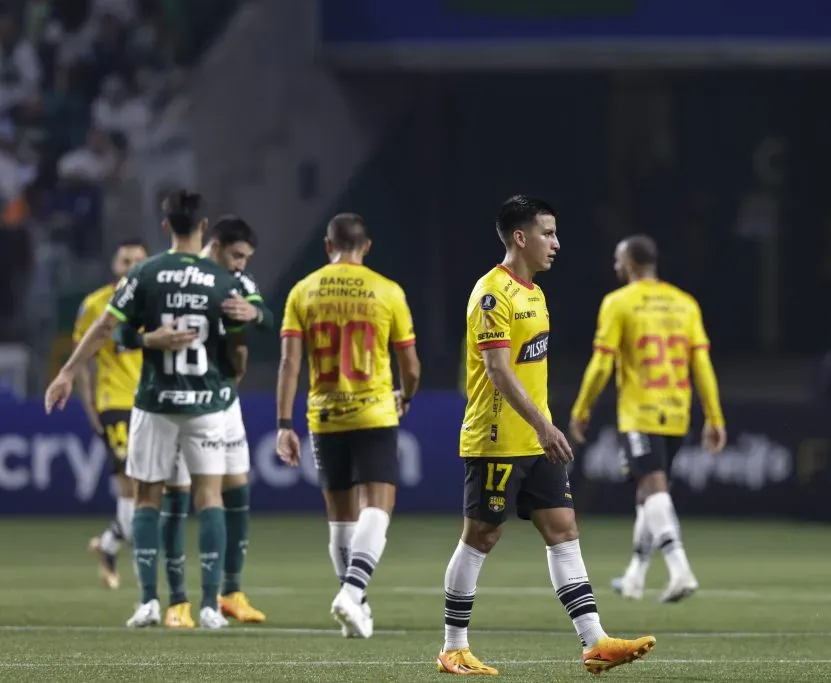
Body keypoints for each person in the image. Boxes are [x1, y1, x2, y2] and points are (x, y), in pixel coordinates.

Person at [436, 195, 656, 677]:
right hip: (497, 439)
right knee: (481, 537)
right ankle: (453, 647)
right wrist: (545, 424)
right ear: (521, 237)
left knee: (564, 532)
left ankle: (595, 642)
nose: (556, 243)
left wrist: (542, 429)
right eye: (548, 233)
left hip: (538, 441)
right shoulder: (493, 294)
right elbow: (497, 370)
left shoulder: (534, 293)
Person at [45, 189, 248, 630]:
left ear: (165, 227)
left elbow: (107, 329)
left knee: (146, 500)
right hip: (204, 402)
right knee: (209, 497)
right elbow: (240, 343)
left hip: (155, 402)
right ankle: (211, 605)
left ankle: (148, 603)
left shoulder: (147, 273)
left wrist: (67, 372)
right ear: (203, 226)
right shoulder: (219, 278)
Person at [113, 215, 273, 627]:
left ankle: (229, 592)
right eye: (236, 256)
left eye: (245, 259)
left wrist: (254, 315)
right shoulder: (195, 277)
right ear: (213, 243)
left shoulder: (230, 279)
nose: (240, 265)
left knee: (236, 487)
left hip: (221, 401)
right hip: (197, 400)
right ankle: (180, 600)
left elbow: (263, 313)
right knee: (184, 493)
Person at [276, 213, 420, 639]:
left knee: (340, 518)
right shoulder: (387, 290)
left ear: (327, 245)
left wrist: (284, 422)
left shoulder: (304, 289)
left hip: (325, 415)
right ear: (367, 247)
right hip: (374, 411)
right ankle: (353, 591)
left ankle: (355, 604)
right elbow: (409, 363)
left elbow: (289, 362)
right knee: (378, 505)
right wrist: (406, 394)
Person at [568, 235, 727, 603]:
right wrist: (714, 416)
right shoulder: (684, 303)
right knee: (649, 492)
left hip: (640, 411)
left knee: (654, 488)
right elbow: (701, 365)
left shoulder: (618, 303)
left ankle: (680, 570)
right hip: (676, 411)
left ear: (631, 263)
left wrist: (581, 408)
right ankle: (635, 576)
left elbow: (602, 362)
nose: (614, 266)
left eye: (617, 260)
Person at [72, 238, 149, 589]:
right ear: (114, 266)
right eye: (125, 260)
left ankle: (107, 545)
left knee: (147, 489)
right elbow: (81, 362)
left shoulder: (156, 303)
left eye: (138, 260)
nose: (131, 266)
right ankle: (145, 580)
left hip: (150, 403)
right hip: (113, 402)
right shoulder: (94, 305)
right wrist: (90, 406)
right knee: (130, 484)